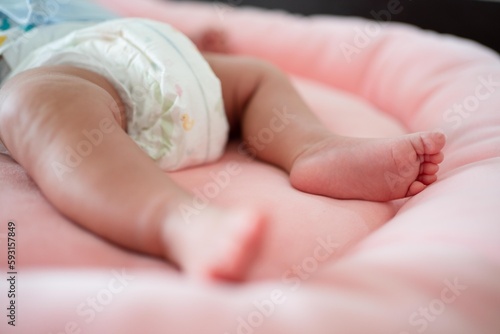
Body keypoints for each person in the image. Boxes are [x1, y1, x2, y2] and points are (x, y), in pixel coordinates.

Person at [0, 0, 445, 281]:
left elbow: (112, 26)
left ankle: (313, 148)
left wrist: (190, 49)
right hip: (60, 72)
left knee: (256, 77)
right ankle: (174, 219)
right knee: (33, 100)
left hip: (146, 54)